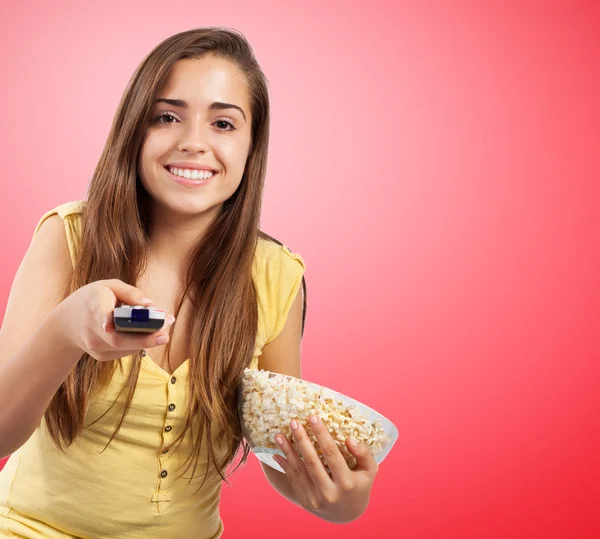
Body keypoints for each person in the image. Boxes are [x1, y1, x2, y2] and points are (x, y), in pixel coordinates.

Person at [0, 27, 379, 538]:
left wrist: (339, 501)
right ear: (135, 129)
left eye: (223, 123)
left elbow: (278, 451)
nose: (194, 142)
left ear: (251, 147)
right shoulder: (69, 238)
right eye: (167, 117)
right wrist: (66, 329)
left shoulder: (276, 276)